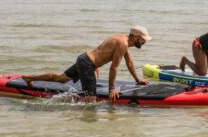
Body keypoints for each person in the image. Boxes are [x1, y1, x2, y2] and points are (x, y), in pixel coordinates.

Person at [22, 26, 152, 101]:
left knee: (60, 79)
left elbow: (129, 62)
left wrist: (137, 80)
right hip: (87, 64)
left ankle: (29, 78)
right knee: (91, 101)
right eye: (143, 40)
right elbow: (114, 68)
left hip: (84, 59)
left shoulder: (123, 40)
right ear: (136, 37)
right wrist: (112, 89)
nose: (143, 42)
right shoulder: (123, 44)